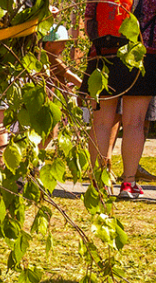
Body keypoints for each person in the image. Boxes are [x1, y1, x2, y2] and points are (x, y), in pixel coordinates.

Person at [81, 0, 156, 199]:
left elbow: (89, 21)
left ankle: (99, 183)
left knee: (101, 123)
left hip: (102, 55)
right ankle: (128, 184)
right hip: (140, 55)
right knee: (135, 123)